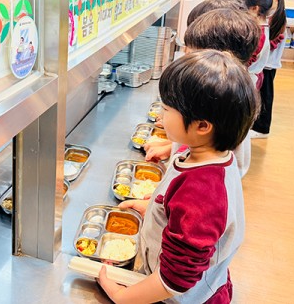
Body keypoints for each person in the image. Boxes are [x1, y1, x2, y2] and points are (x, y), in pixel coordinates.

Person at [98, 49, 260, 304]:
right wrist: (156, 209)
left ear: (202, 126)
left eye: (166, 109)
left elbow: (175, 279)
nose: (161, 117)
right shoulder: (205, 155)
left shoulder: (202, 191)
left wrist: (122, 296)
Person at [146, 8, 260, 177]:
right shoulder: (225, 99)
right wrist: (173, 148)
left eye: (193, 55)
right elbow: (205, 144)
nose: (186, 57)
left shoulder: (204, 180)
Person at [251, 0, 288, 139]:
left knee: (265, 96)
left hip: (267, 65)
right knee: (260, 95)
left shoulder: (277, 19)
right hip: (264, 64)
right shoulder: (273, 16)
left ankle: (262, 128)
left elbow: (271, 42)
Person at [236, 0, 285, 90]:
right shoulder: (261, 27)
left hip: (247, 80)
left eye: (242, 8)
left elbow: (246, 62)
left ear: (255, 8)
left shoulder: (259, 34)